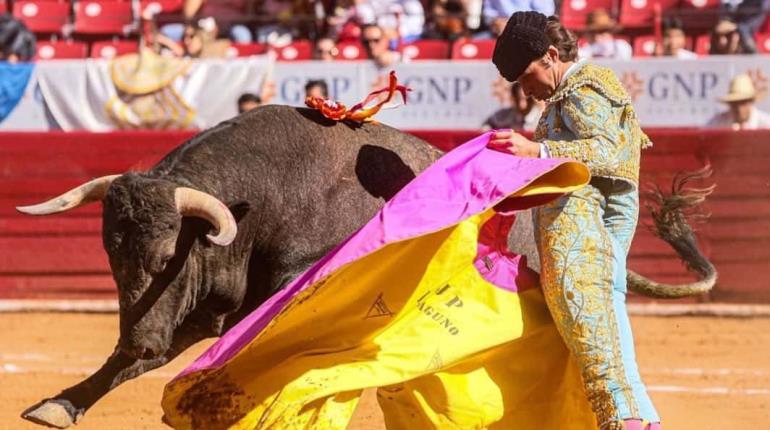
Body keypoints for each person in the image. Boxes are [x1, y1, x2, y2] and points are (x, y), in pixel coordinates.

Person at [491, 11, 660, 430]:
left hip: (590, 238)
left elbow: (610, 153)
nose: (525, 89)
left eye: (525, 75)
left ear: (550, 55)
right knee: (609, 352)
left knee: (602, 352)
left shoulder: (585, 87)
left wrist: (538, 153)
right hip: (588, 236)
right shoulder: (567, 95)